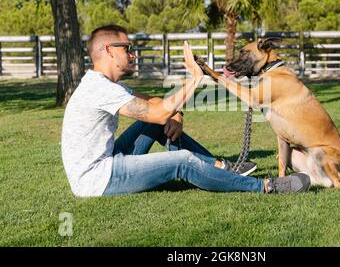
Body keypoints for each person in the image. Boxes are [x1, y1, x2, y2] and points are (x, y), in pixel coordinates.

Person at [61, 25, 310, 197]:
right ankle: (266, 187)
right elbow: (158, 113)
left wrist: (177, 114)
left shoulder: (104, 84)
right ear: (108, 50)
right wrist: (195, 79)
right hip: (97, 179)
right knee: (182, 162)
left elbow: (157, 105)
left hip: (109, 158)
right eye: (127, 48)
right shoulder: (98, 88)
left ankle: (221, 166)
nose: (133, 54)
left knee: (157, 122)